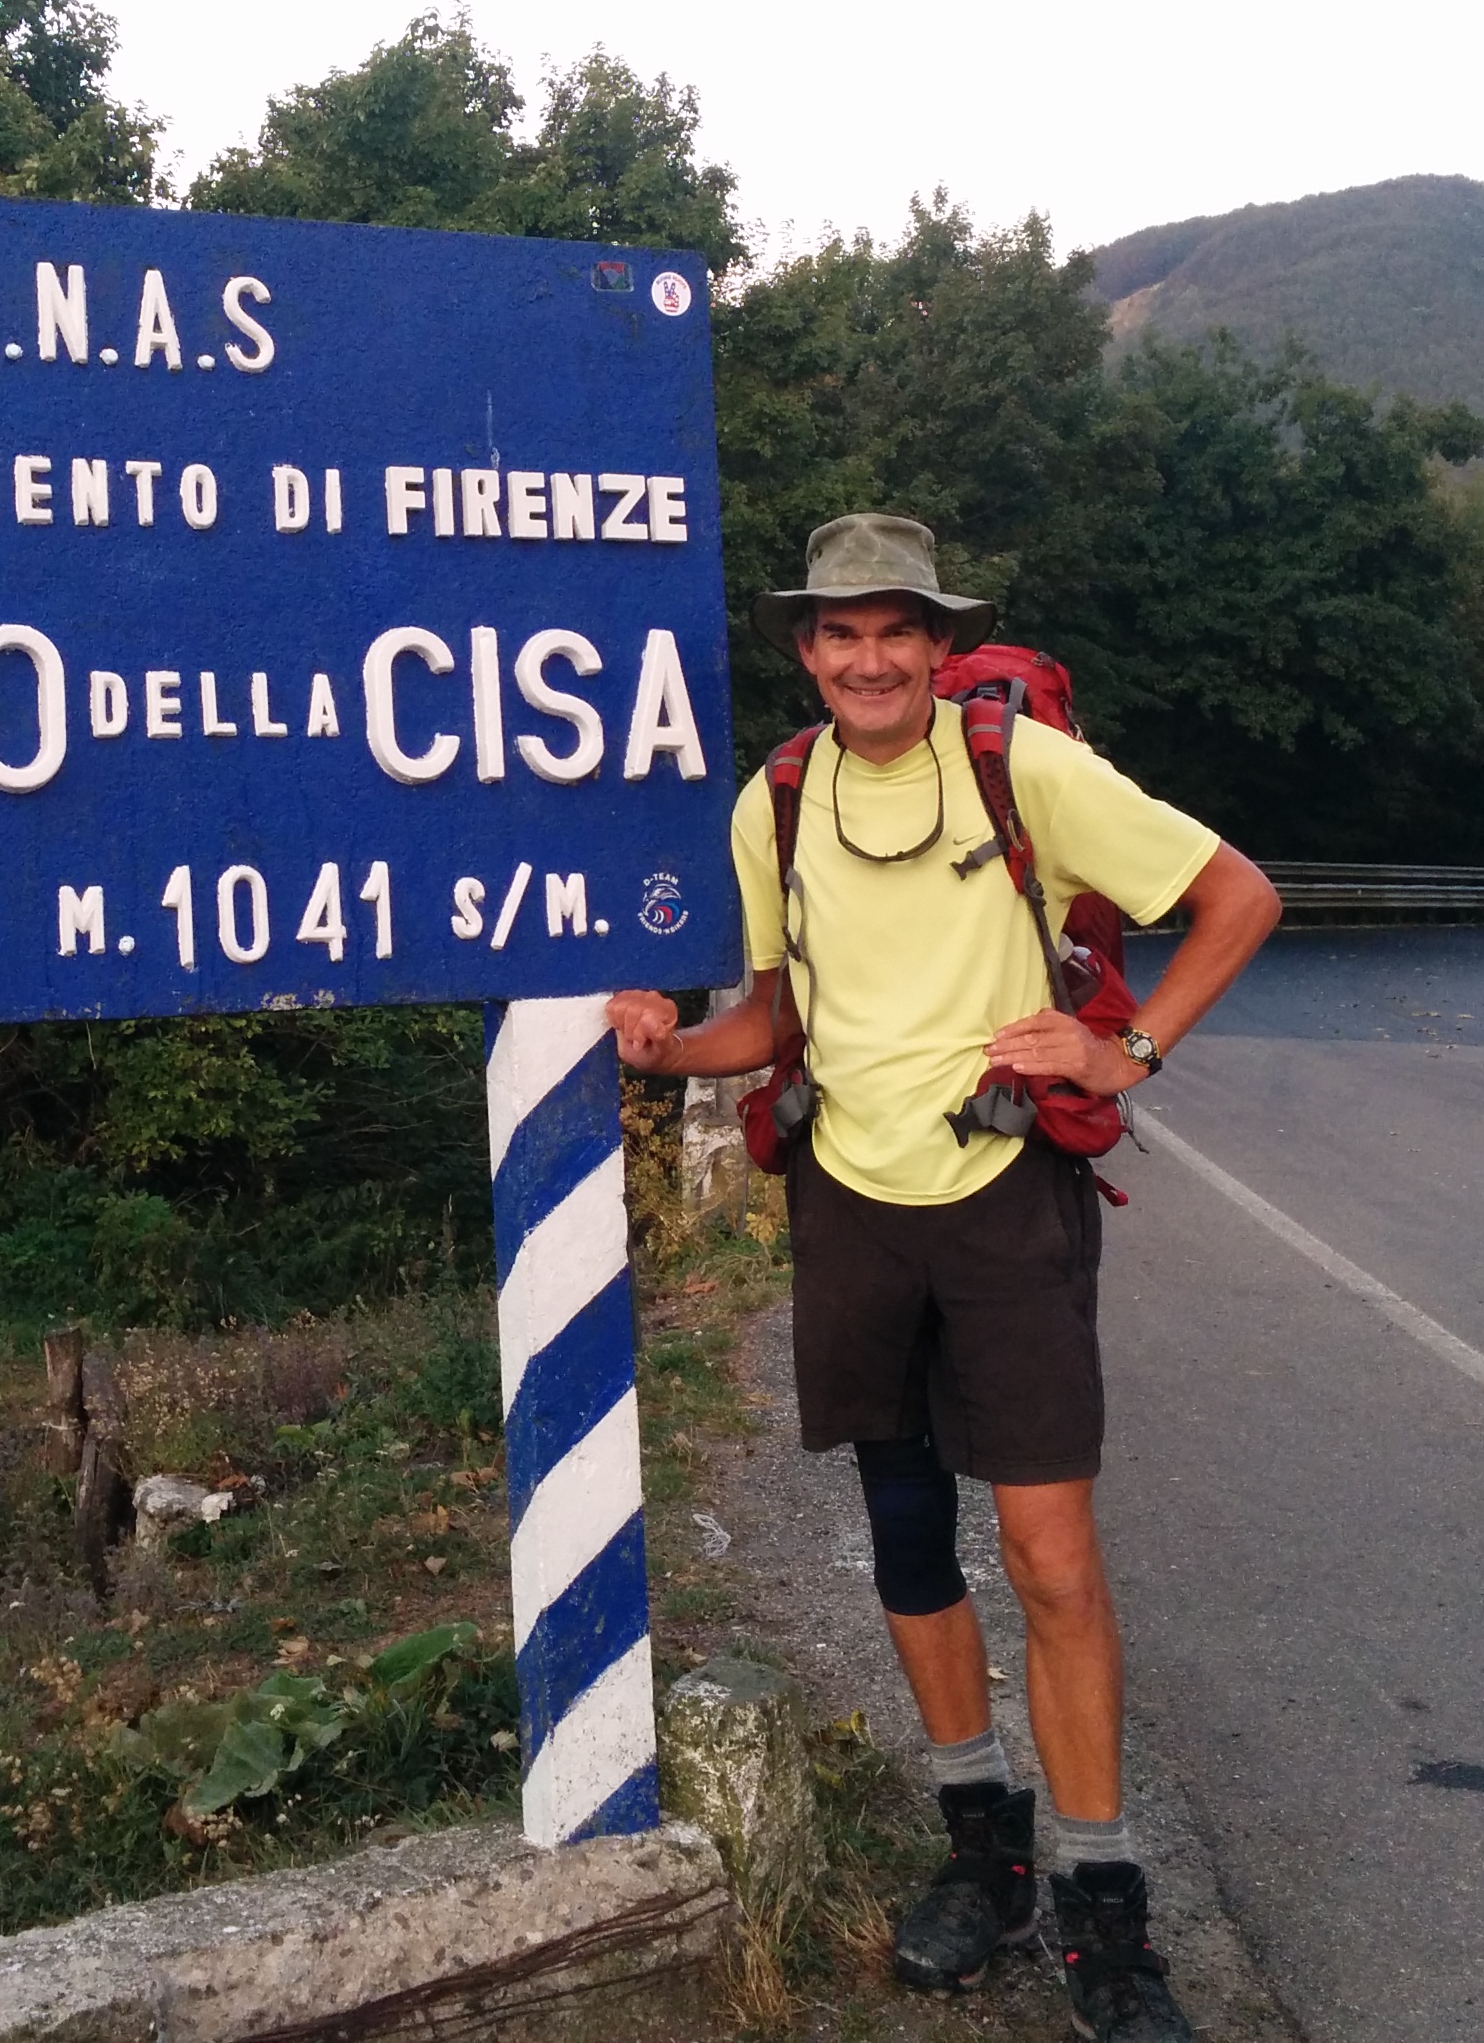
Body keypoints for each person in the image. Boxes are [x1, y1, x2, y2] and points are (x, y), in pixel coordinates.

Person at [609, 513, 1279, 2043]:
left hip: (1003, 1199)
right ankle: (987, 1856)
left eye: (895, 630)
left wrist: (1127, 1050)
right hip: (851, 1203)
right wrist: (667, 1046)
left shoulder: (1019, 767)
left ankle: (1108, 1913)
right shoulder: (777, 799)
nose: (869, 659)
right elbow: (774, 1019)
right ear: (807, 651)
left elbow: (1239, 896)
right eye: (841, 633)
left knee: (1051, 1561)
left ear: (936, 641)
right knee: (910, 1542)